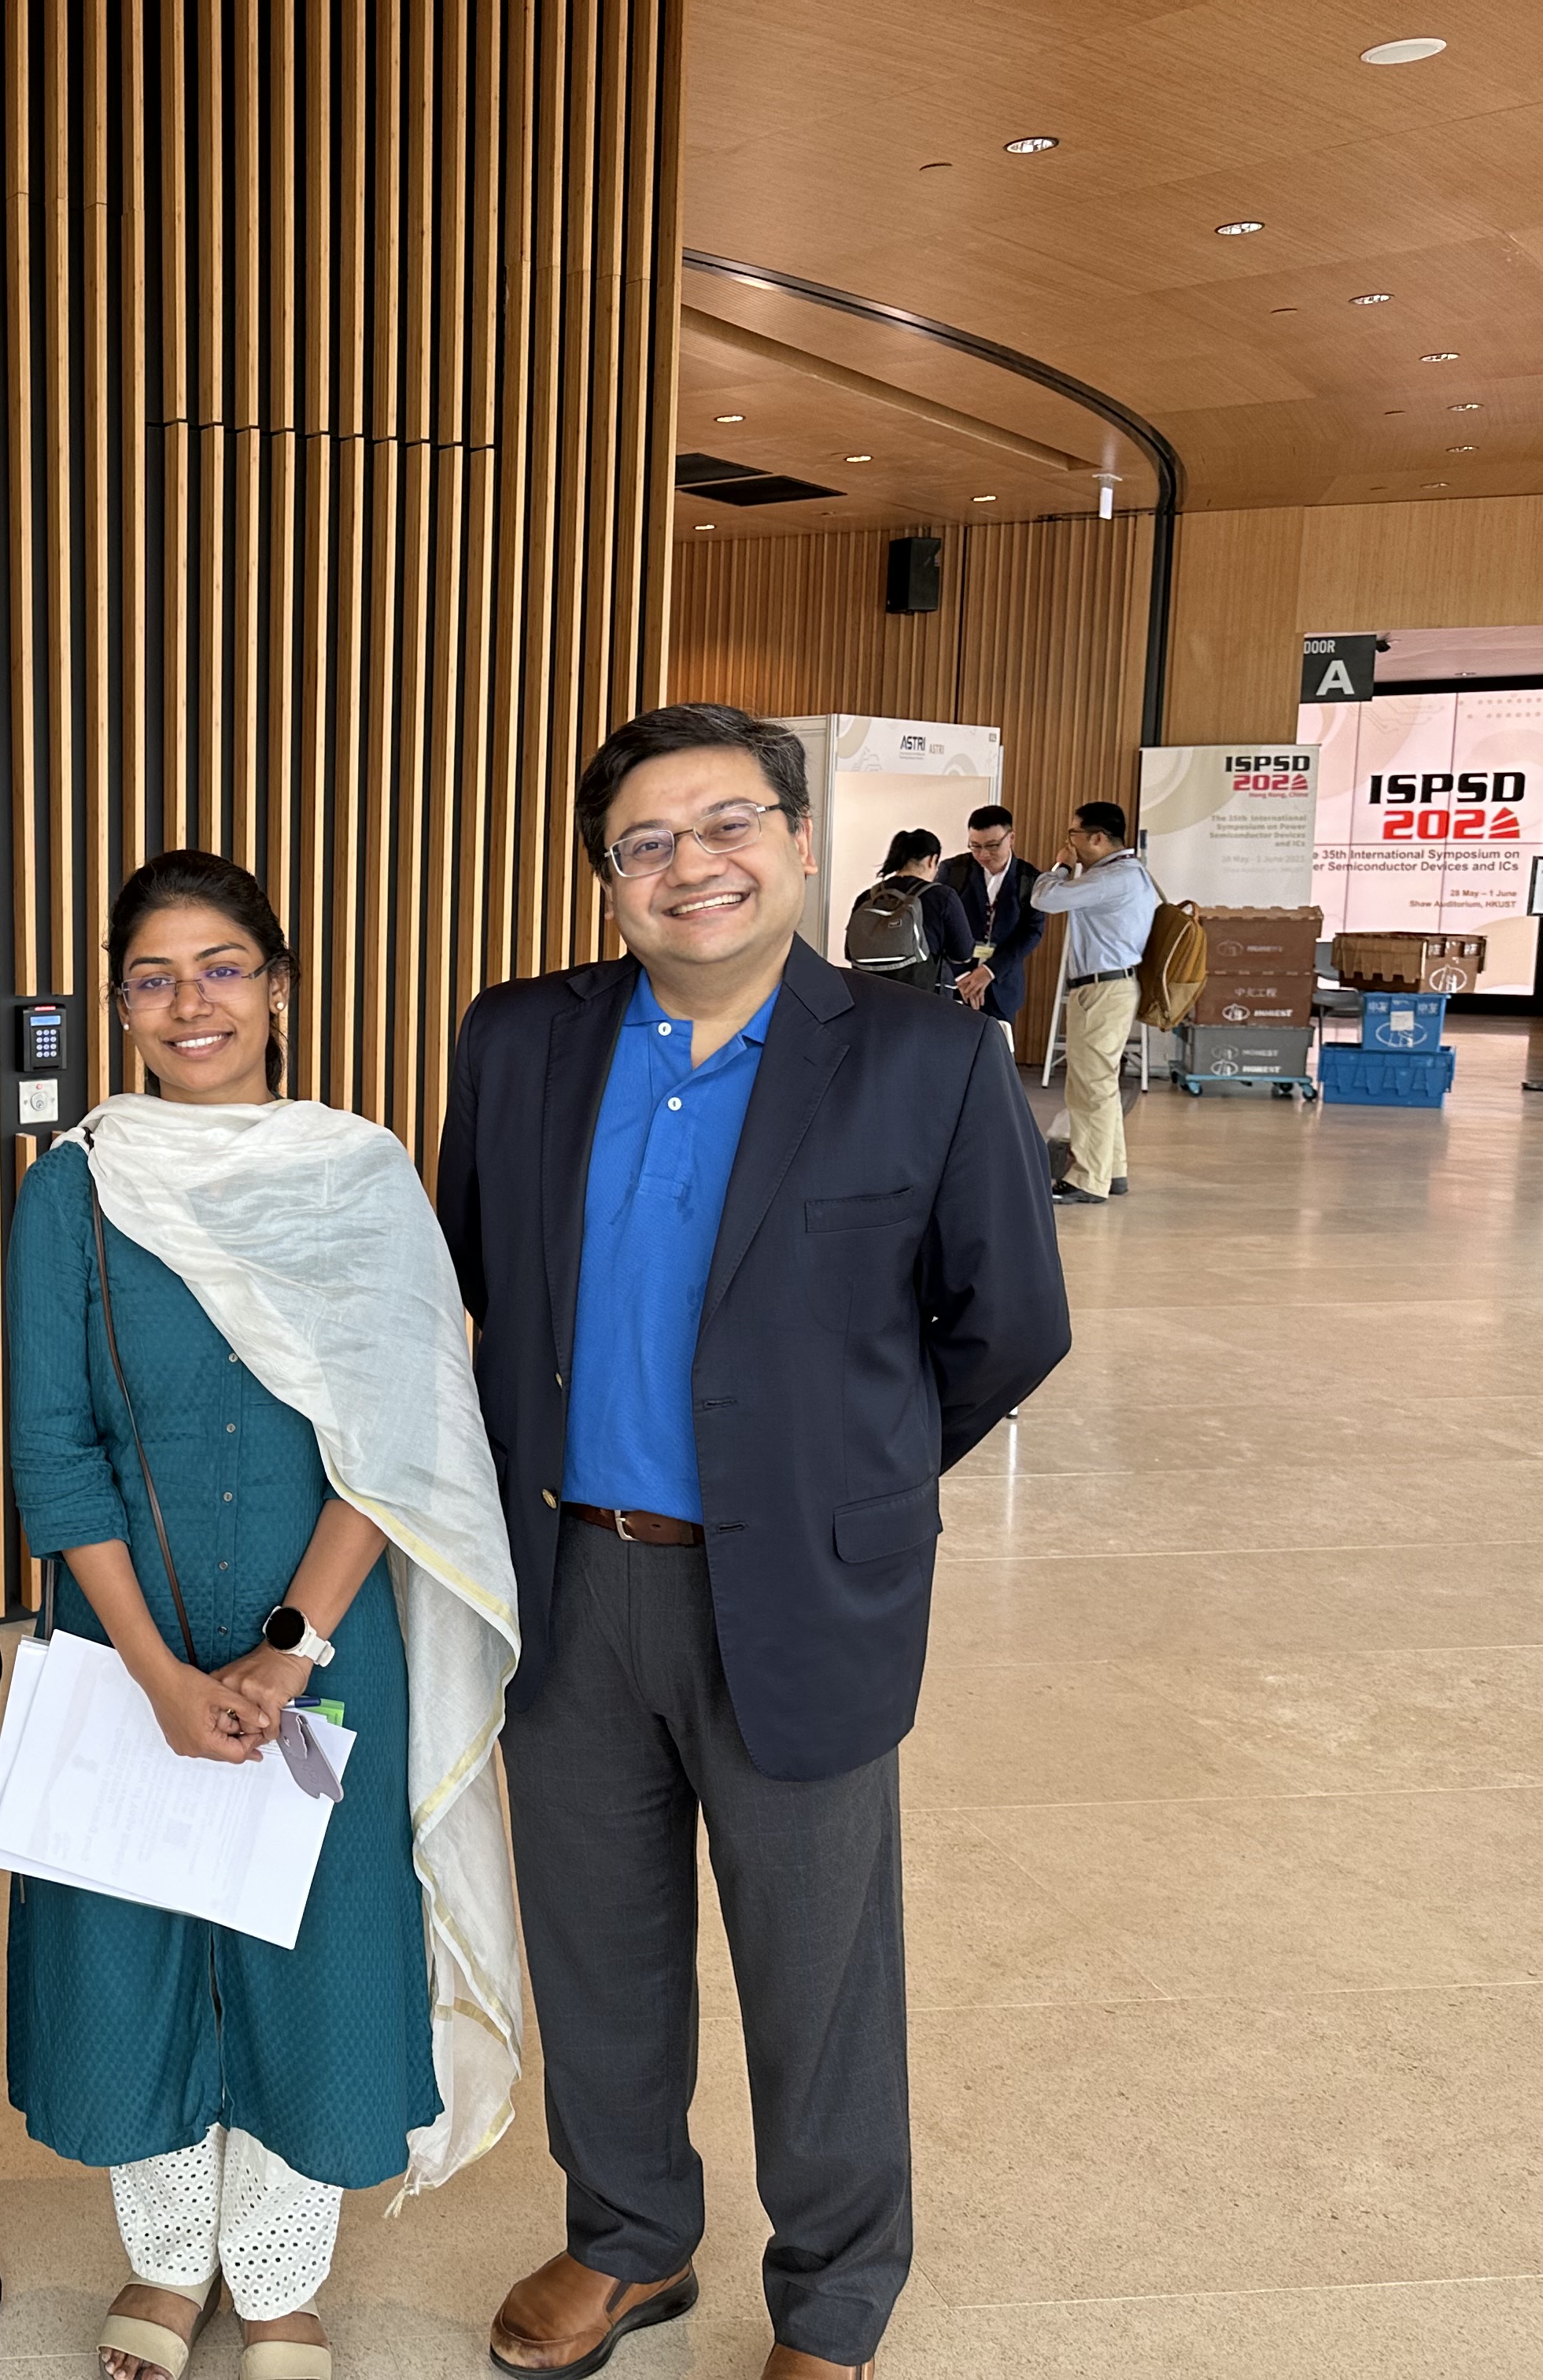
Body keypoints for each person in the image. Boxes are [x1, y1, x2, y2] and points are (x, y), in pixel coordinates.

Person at [437, 703, 1069, 2380]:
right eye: (645, 842)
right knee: (598, 1940)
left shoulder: (927, 1059)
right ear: (606, 880)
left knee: (818, 1967)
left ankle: (840, 2290)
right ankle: (629, 2238)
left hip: (796, 1590)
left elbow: (1008, 1324)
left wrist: (846, 1479)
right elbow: (472, 1285)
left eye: (726, 825)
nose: (690, 866)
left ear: (797, 842)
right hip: (570, 1577)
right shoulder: (520, 1043)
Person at [3, 852, 525, 2380]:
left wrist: (289, 1648)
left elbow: (402, 1433)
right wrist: (159, 1672)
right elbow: (51, 1445)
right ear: (118, 1006)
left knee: (314, 1937)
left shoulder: (361, 1179)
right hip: (125, 1634)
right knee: (134, 1927)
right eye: (153, 977)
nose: (190, 1002)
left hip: (328, 1630)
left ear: (280, 985)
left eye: (221, 966)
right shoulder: (76, 1185)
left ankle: (282, 2276)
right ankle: (167, 2267)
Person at [1029, 800, 1160, 1207]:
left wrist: (1062, 866)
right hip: (1106, 989)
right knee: (1097, 1083)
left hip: (1104, 991)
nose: (1070, 842)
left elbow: (1045, 900)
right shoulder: (1123, 874)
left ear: (1098, 839)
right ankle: (1112, 1170)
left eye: (1074, 834)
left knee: (1091, 1087)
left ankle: (1088, 1178)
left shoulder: (1114, 878)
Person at [939, 804, 1046, 1022]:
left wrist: (988, 971)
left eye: (993, 845)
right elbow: (938, 926)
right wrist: (962, 976)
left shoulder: (1029, 878)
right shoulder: (953, 870)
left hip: (1002, 984)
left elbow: (1032, 932)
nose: (983, 855)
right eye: (975, 846)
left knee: (997, 1050)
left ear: (1011, 838)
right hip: (955, 983)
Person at [839, 829, 972, 995]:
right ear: (933, 860)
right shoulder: (942, 896)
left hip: (869, 999)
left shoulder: (866, 898)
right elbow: (963, 953)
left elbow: (850, 952)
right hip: (923, 1003)